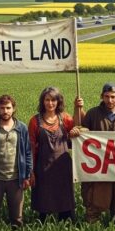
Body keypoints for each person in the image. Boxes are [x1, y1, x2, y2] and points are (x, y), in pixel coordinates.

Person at [79, 82, 115, 224]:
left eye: (113, 97)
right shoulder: (93, 113)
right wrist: (81, 131)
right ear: (102, 97)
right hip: (99, 166)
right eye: (106, 96)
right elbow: (83, 133)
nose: (109, 100)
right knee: (96, 198)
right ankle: (92, 227)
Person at [28, 87, 83, 222]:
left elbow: (79, 129)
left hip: (63, 167)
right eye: (47, 100)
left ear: (58, 102)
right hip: (43, 167)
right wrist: (31, 171)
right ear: (42, 101)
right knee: (43, 198)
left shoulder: (65, 118)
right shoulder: (35, 121)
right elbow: (30, 148)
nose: (50, 103)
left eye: (53, 100)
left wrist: (78, 108)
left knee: (64, 198)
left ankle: (67, 223)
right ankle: (44, 225)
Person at [0, 95, 32, 228]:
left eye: (8, 108)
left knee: (17, 217)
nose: (5, 111)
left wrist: (27, 175)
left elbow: (27, 152)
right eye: (2, 108)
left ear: (13, 109)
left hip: (16, 178)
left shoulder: (22, 128)